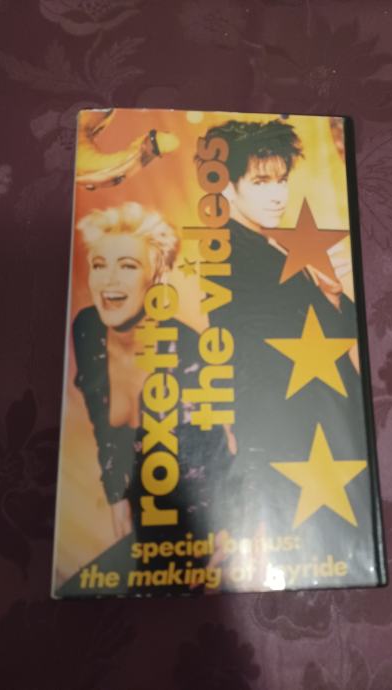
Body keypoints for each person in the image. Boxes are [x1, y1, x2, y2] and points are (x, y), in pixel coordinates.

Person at [194, 120, 371, 585]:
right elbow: (252, 362)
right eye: (260, 182)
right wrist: (253, 467)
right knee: (324, 556)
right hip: (296, 436)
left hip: (319, 427)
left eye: (282, 179)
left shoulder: (266, 246)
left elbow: (321, 332)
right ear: (227, 187)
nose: (277, 195)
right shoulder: (235, 254)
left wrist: (332, 294)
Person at [72, 201, 230, 545]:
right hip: (136, 508)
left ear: (157, 277)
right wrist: (116, 495)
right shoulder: (87, 330)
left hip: (197, 511)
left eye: (127, 266)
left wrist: (222, 529)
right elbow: (102, 422)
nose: (108, 280)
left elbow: (213, 456)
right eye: (99, 265)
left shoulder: (190, 353)